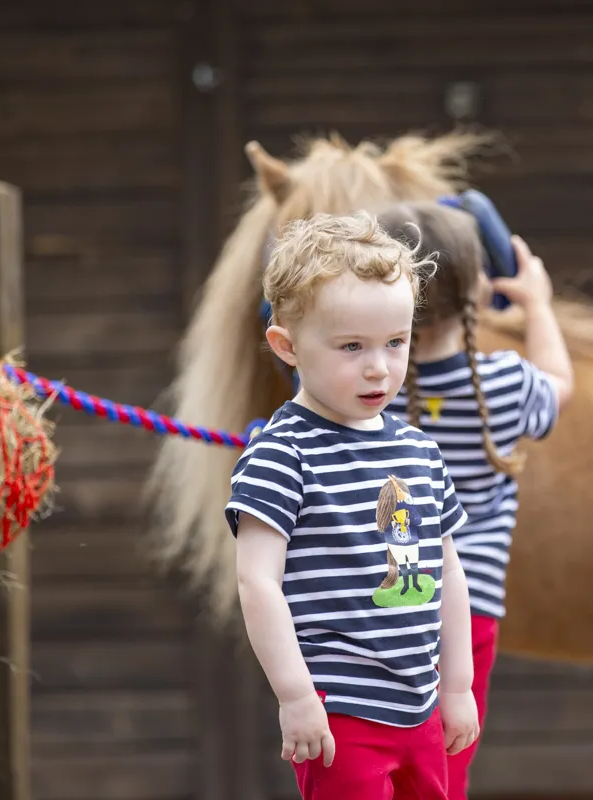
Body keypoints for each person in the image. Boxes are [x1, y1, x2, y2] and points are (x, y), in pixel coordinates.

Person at [225, 211, 479, 799]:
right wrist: (295, 695)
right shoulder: (280, 455)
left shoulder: (418, 448)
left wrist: (457, 684)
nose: (379, 367)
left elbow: (449, 570)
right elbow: (257, 583)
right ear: (287, 346)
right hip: (338, 714)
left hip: (421, 704)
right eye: (351, 346)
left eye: (396, 342)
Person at [380, 201, 574, 798]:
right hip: (471, 615)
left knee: (379, 752)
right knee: (443, 766)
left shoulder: (366, 392)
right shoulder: (506, 384)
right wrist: (537, 304)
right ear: (480, 290)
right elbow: (560, 386)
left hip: (381, 607)